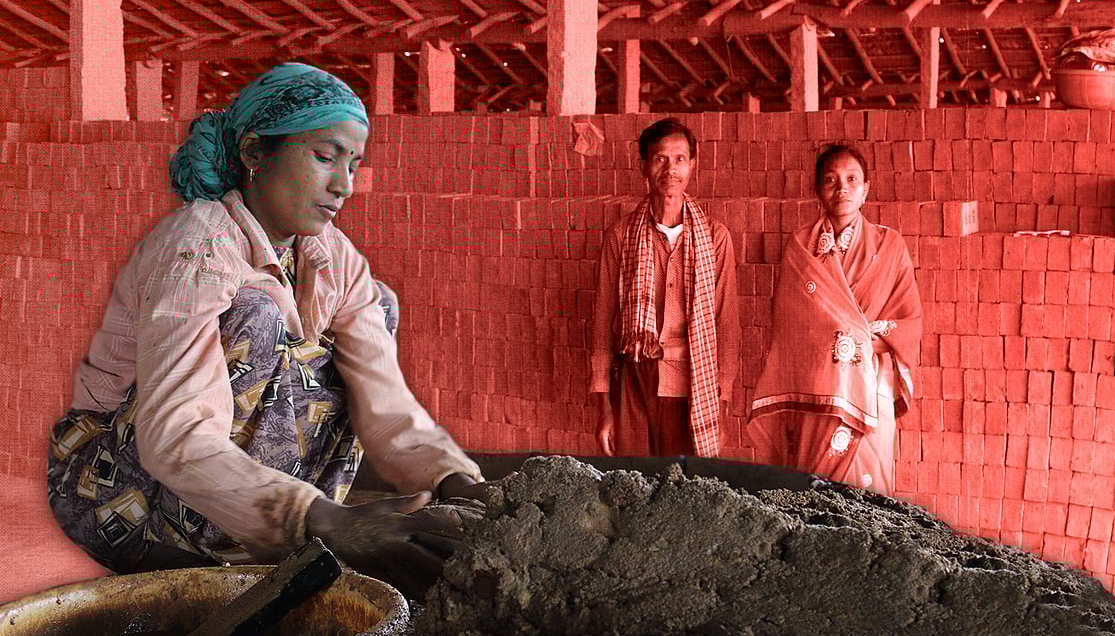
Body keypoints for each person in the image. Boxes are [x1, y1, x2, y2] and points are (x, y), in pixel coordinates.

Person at [47, 63, 483, 597]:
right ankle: (203, 542)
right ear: (254, 153)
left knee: (377, 310)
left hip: (211, 486)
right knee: (258, 316)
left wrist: (455, 481)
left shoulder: (331, 257)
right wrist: (324, 520)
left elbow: (386, 405)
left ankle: (276, 531)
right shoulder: (199, 245)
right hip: (112, 487)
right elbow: (175, 435)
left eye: (354, 164)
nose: (344, 185)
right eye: (324, 157)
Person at [747, 144, 922, 495]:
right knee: (816, 489)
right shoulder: (800, 246)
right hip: (817, 387)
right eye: (831, 180)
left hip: (871, 384)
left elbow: (910, 319)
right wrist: (843, 339)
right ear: (817, 191)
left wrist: (858, 340)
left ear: (866, 189)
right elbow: (790, 325)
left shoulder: (890, 245)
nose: (841, 188)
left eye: (851, 179)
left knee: (868, 490)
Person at [590, 118, 740, 458]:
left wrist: (722, 402)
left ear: (692, 166)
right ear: (643, 166)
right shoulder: (620, 236)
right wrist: (604, 407)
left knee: (682, 490)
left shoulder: (715, 238)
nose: (670, 169)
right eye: (660, 159)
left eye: (680, 159)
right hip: (633, 384)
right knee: (633, 489)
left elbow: (726, 325)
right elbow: (601, 325)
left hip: (692, 384)